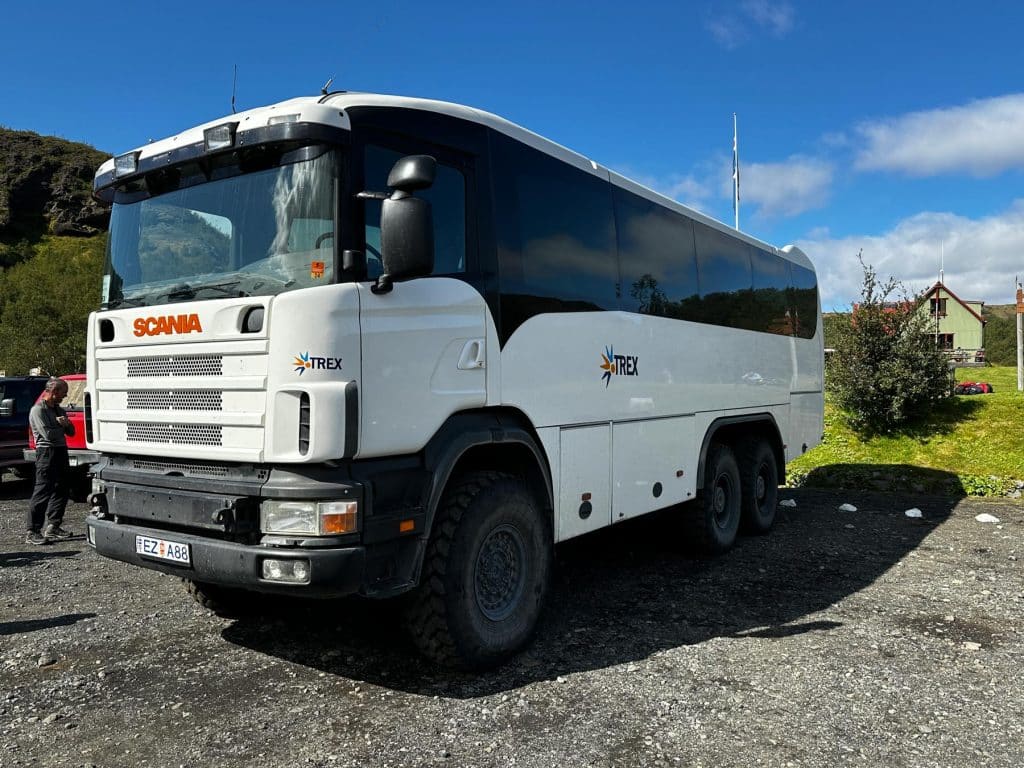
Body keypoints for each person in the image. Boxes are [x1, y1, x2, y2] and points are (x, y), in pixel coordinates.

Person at [25, 378, 75, 544]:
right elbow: (48, 434)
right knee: (43, 490)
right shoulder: (37, 410)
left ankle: (53, 526)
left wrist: (66, 423)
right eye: (63, 392)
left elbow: (72, 432)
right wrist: (60, 425)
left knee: (62, 488)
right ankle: (32, 531)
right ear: (54, 392)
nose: (65, 396)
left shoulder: (59, 409)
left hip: (61, 451)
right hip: (46, 452)